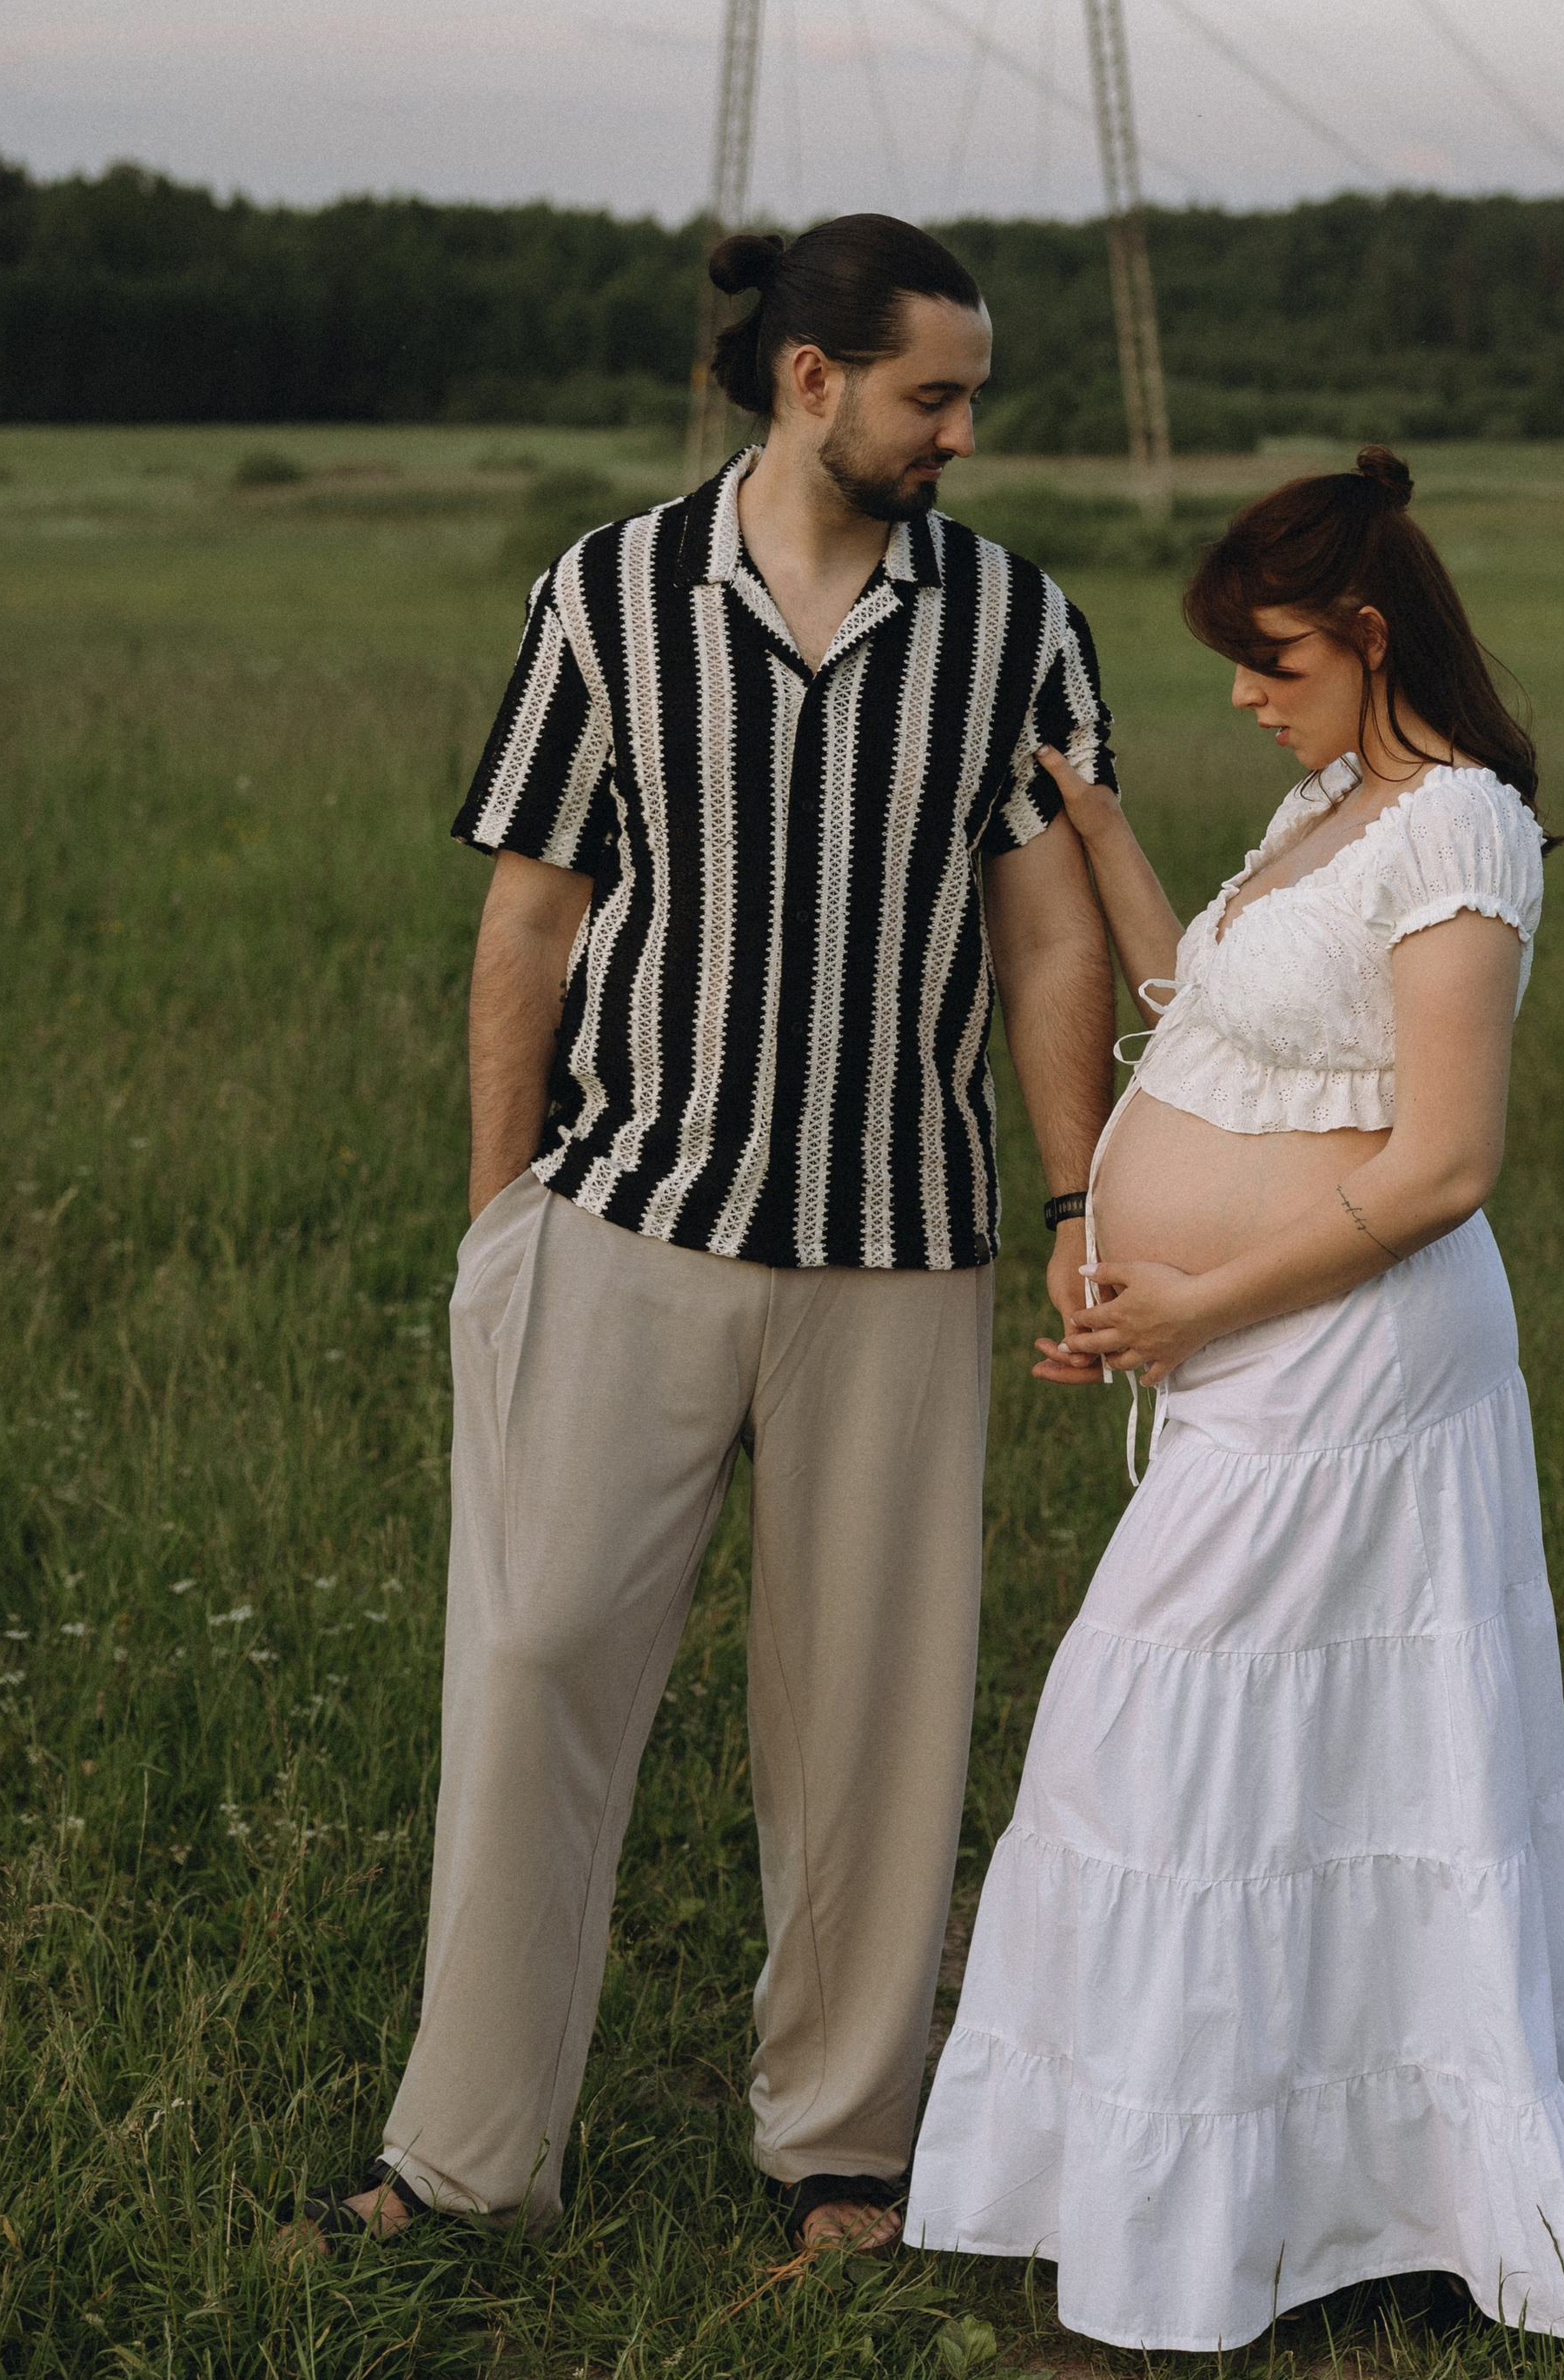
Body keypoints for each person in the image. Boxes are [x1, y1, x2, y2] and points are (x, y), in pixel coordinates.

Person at [282, 215, 1117, 2261]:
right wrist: (505, 1220)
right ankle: (464, 2160)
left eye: (973, 396)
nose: (962, 434)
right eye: (934, 393)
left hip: (901, 1250)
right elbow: (533, 918)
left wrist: (1083, 1196)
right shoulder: (608, 592)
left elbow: (1045, 938)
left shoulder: (1013, 621)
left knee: (868, 1719)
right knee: (538, 1661)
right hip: (625, 1225)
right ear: (809, 381)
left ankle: (841, 2151)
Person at [908, 446, 1564, 2346]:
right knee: (1236, 1765)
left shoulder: (1456, 829)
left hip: (1357, 1365)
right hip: (1250, 1352)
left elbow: (1439, 1167)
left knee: (1234, 1749)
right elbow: (1207, 1012)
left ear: (1373, 635)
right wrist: (1100, 825)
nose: (1244, 688)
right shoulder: (1327, 804)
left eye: (1274, 655)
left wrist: (1195, 1302)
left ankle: (1340, 2200)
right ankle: (1239, 2189)